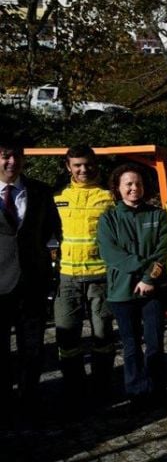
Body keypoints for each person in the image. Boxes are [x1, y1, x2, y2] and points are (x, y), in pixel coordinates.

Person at [97, 164, 167, 411]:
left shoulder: (157, 215)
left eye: (138, 183)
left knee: (155, 342)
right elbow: (111, 254)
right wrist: (146, 268)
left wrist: (149, 279)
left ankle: (158, 389)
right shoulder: (109, 219)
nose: (134, 188)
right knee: (131, 345)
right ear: (118, 188)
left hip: (153, 290)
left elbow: (163, 249)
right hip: (121, 291)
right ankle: (137, 392)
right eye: (128, 184)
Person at [0, 134, 59, 425]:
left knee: (32, 347)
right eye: (5, 156)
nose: (12, 162)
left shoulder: (40, 191)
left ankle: (29, 399)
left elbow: (51, 231)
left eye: (17, 156)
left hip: (33, 283)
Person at [53, 145, 116, 411]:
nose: (83, 169)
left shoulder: (108, 197)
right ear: (68, 167)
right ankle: (74, 389)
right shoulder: (58, 197)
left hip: (100, 278)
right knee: (67, 338)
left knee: (103, 336)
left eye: (88, 164)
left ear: (95, 164)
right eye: (77, 165)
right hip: (67, 278)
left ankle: (103, 387)